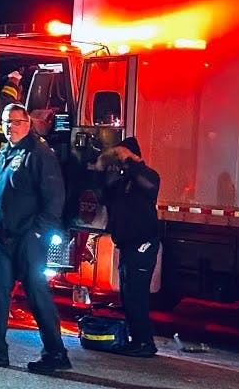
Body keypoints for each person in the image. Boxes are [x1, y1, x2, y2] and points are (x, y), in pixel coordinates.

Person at [0, 103, 70, 374]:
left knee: (37, 296)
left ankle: (56, 353)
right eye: (5, 122)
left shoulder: (39, 153)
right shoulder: (4, 152)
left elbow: (54, 197)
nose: (9, 127)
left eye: (14, 122)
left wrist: (38, 231)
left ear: (27, 123)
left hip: (27, 238)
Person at [98, 136, 161, 358]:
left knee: (137, 294)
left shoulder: (147, 175)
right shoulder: (121, 180)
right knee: (127, 294)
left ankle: (145, 342)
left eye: (123, 154)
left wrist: (131, 161)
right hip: (126, 245)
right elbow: (106, 195)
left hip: (143, 244)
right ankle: (137, 339)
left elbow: (151, 186)